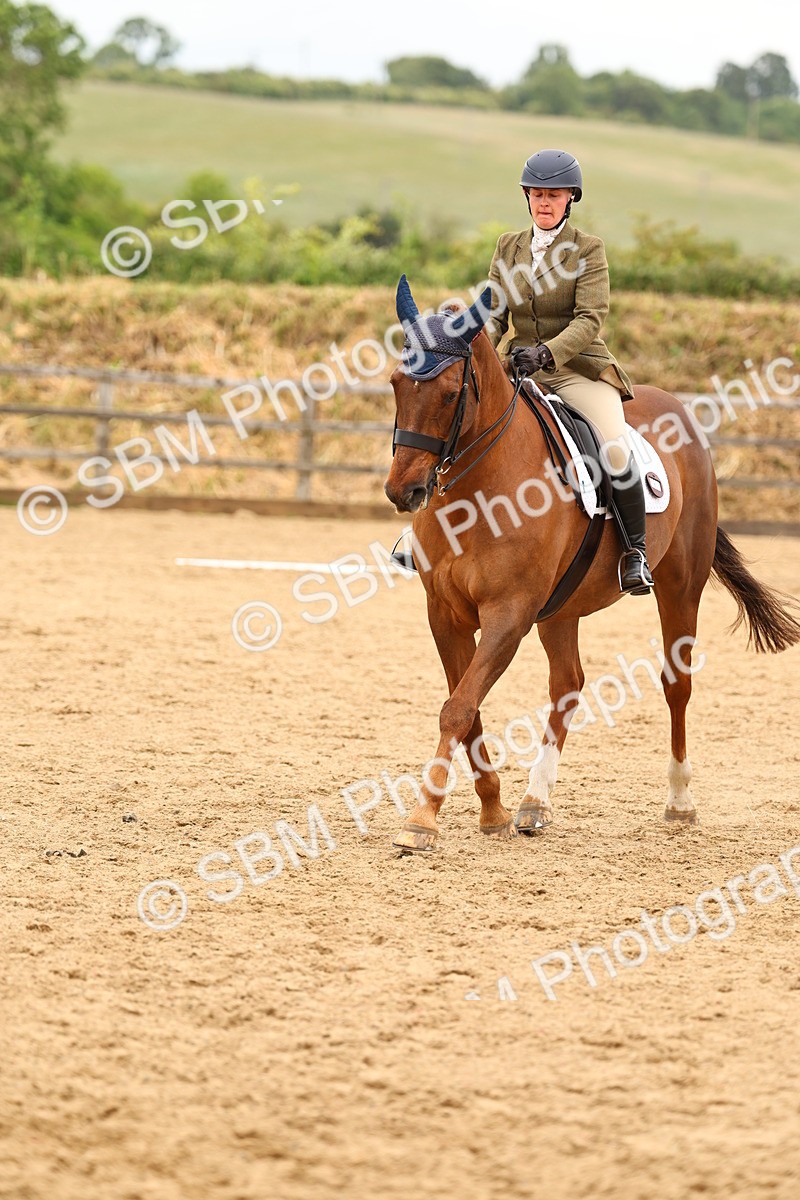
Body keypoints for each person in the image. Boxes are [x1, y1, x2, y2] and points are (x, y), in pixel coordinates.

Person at [485, 149, 654, 595]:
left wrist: (546, 354)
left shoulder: (588, 249)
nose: (544, 202)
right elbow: (494, 311)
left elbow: (590, 318)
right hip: (519, 367)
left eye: (553, 195)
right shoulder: (508, 246)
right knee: (462, 421)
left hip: (576, 369)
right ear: (527, 197)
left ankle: (635, 551)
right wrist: (479, 347)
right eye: (537, 194)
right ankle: (429, 534)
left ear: (569, 199)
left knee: (615, 448)